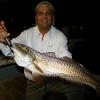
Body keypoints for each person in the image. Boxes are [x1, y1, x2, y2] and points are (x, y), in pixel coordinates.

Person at [0, 1, 87, 100]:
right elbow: (12, 48)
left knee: (79, 90)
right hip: (34, 82)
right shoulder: (26, 34)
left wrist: (74, 70)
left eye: (48, 13)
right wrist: (4, 41)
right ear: (36, 17)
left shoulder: (60, 36)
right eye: (40, 13)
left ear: (53, 17)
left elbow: (65, 55)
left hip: (55, 80)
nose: (44, 16)